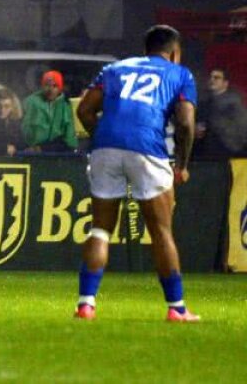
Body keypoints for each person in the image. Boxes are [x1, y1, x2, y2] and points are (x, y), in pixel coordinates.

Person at [74, 25, 200, 322]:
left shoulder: (115, 68)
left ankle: (85, 304)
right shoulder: (180, 74)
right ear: (174, 53)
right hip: (147, 148)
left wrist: (105, 138)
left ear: (146, 49)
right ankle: (177, 308)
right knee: (160, 232)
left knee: (101, 229)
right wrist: (181, 164)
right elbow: (185, 122)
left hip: (105, 147)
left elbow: (83, 111)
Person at [194, 68, 247, 159]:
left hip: (227, 153)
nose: (212, 80)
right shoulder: (204, 102)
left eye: (217, 78)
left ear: (225, 83)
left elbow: (242, 128)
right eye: (210, 77)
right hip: (206, 153)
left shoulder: (234, 103)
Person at [22, 70, 78, 153]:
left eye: (55, 86)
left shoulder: (66, 106)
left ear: (60, 88)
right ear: (42, 86)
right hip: (30, 154)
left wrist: (44, 148)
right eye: (47, 85)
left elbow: (70, 139)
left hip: (58, 155)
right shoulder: (30, 102)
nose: (50, 89)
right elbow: (23, 129)